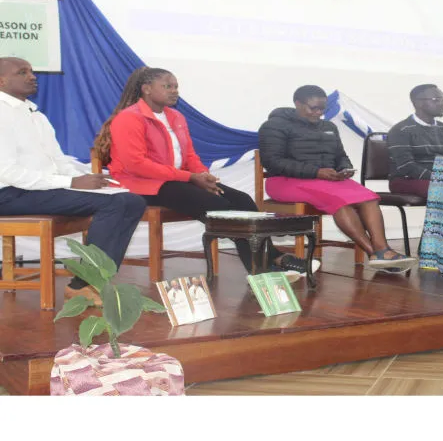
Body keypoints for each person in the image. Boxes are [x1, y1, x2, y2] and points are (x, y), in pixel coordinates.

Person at [95, 67, 312, 275]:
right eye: (167, 86)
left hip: (174, 181)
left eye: (176, 86)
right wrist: (191, 177)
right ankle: (267, 264)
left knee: (242, 200)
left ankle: (265, 263)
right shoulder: (129, 118)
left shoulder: (176, 117)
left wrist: (202, 175)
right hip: (141, 185)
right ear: (147, 89)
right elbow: (136, 164)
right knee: (219, 206)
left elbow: (189, 155)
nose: (174, 91)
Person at [0, 57, 146, 307]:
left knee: (132, 201)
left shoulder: (35, 115)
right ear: (2, 80)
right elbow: (7, 173)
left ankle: (97, 280)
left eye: (31, 71)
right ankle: (82, 285)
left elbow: (57, 160)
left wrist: (85, 180)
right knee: (113, 205)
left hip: (39, 189)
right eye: (22, 72)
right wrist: (70, 181)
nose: (32, 76)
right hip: (9, 194)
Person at [258, 85, 416, 269]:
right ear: (298, 104)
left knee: (369, 197)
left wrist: (344, 168)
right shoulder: (274, 126)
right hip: (285, 181)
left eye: (322, 109)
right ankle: (373, 253)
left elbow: (340, 155)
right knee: (340, 200)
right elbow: (273, 162)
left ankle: (382, 249)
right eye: (313, 108)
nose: (318, 113)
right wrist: (316, 172)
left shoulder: (329, 126)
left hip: (326, 180)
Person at [387, 84, 443, 198]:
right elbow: (406, 166)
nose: (442, 103)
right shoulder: (400, 130)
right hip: (406, 180)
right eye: (436, 100)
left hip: (437, 180)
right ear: (418, 103)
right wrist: (439, 178)